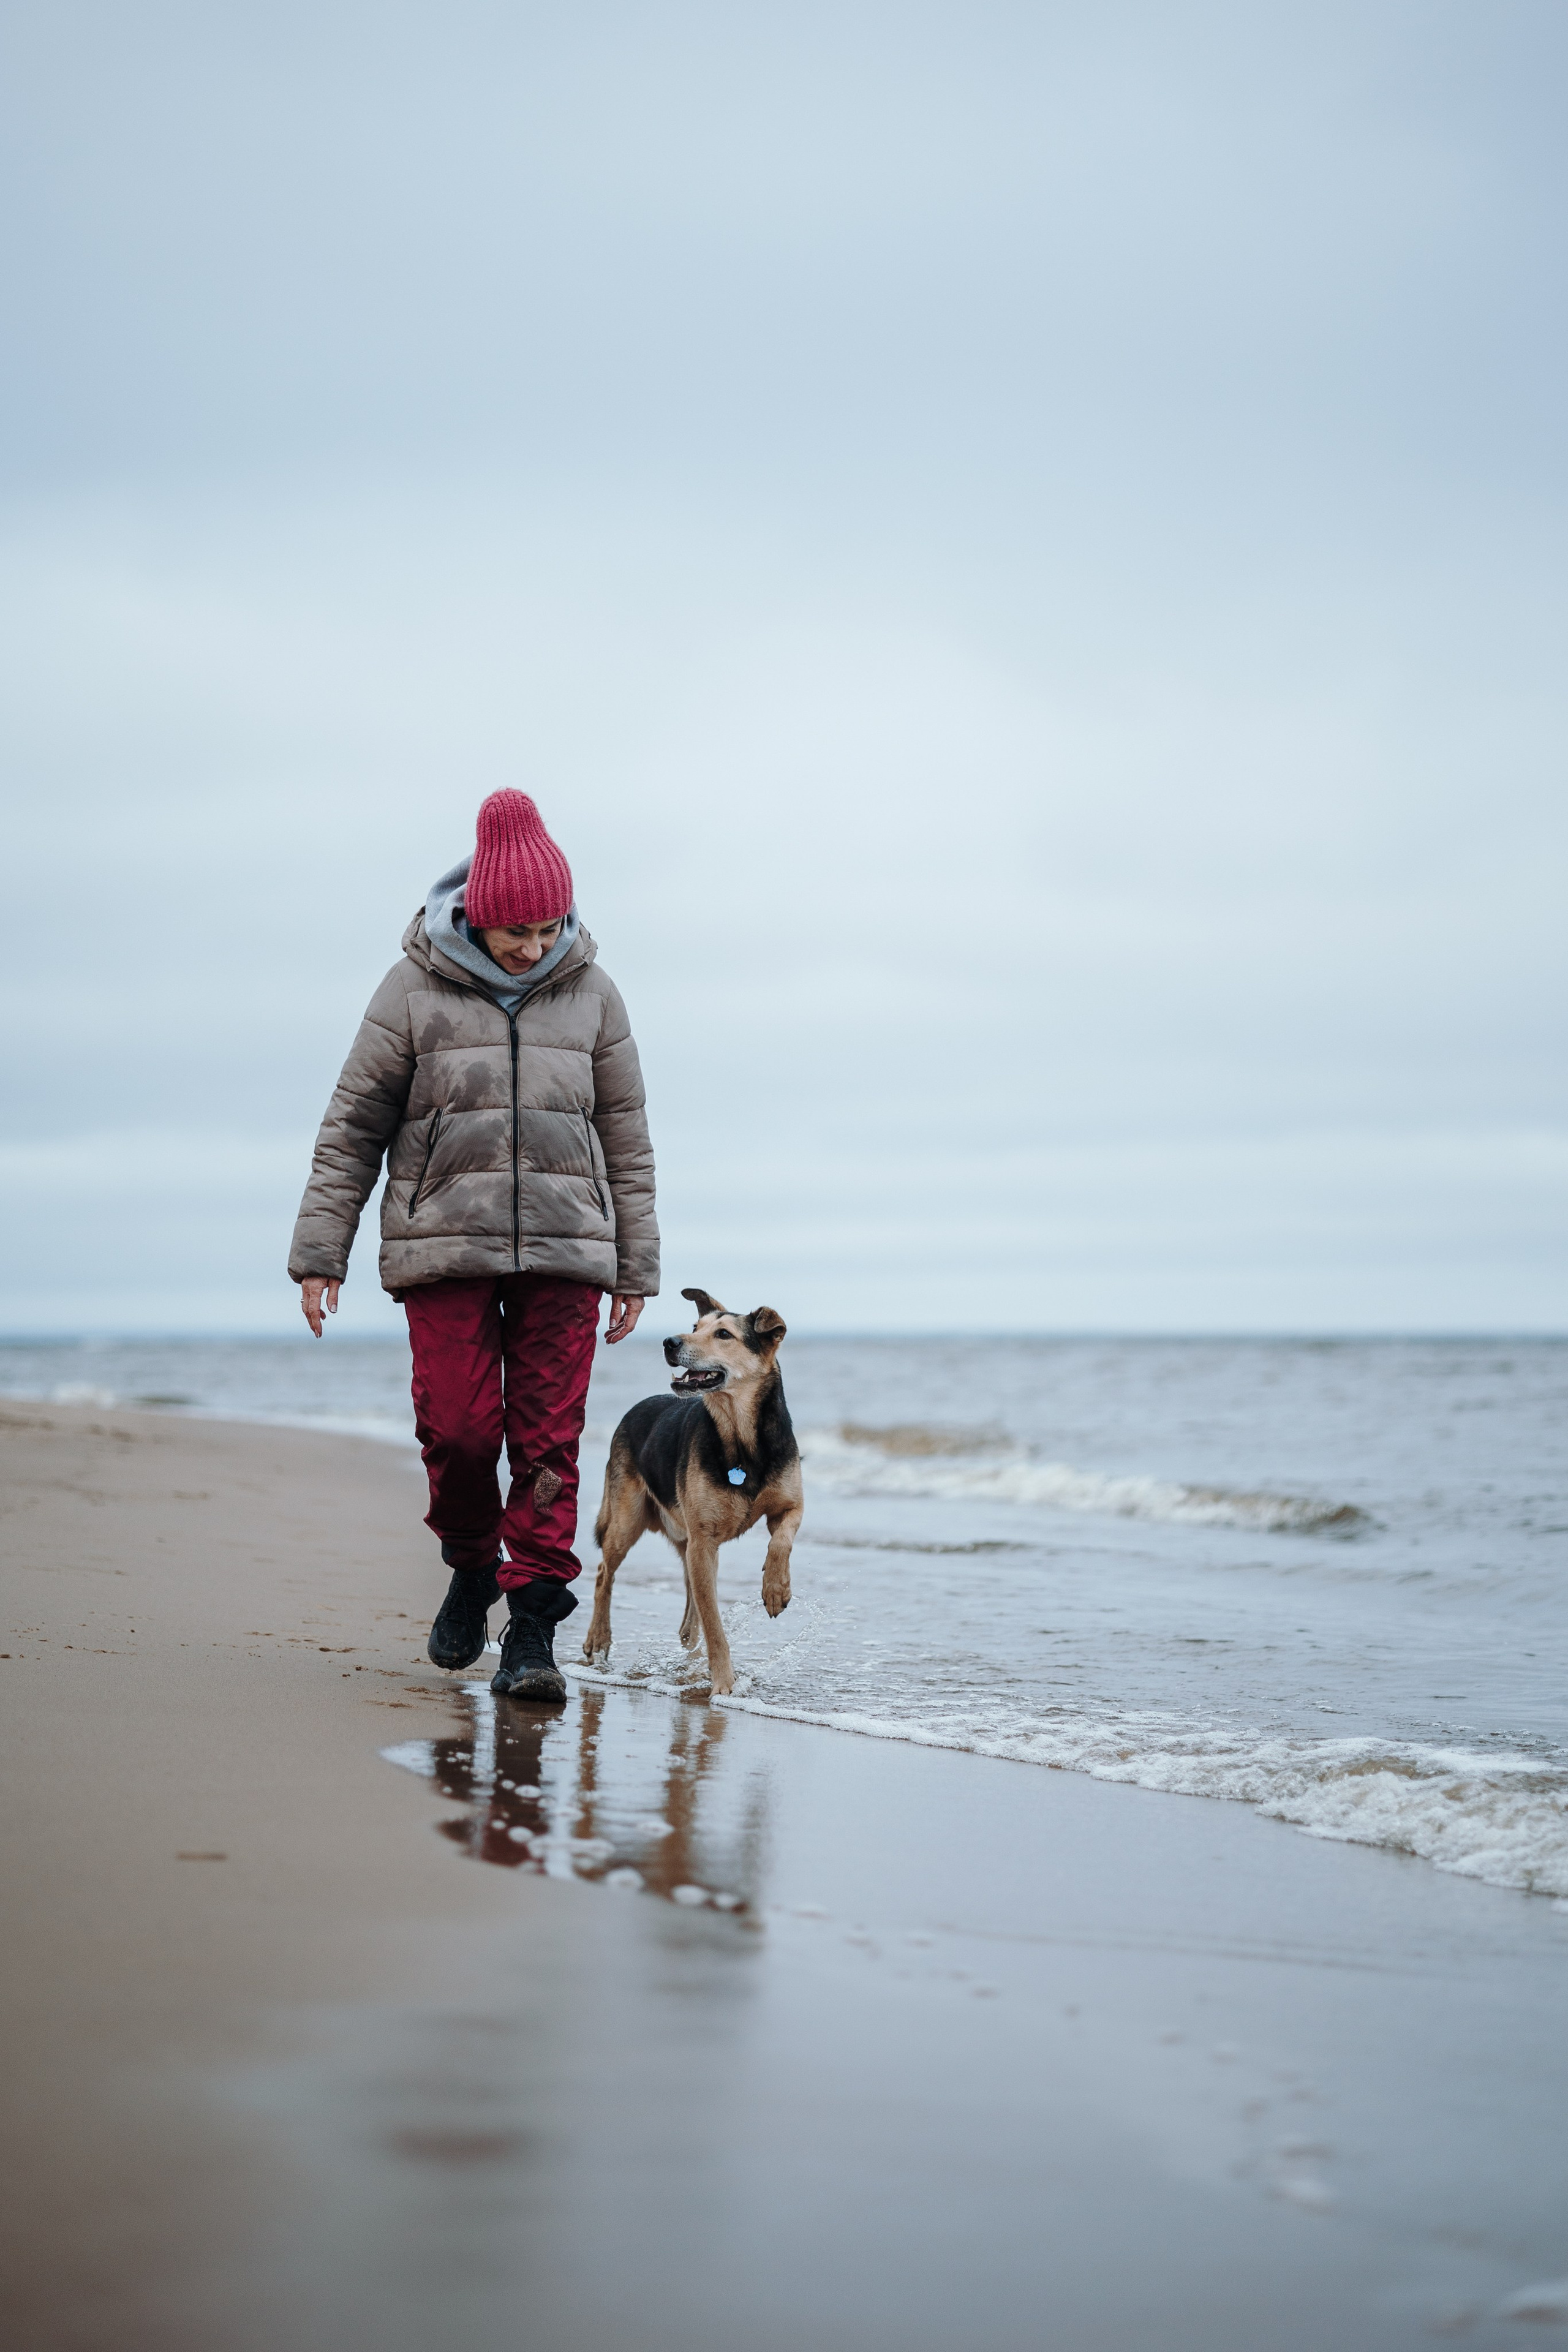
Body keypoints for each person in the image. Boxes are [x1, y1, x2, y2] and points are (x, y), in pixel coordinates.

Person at [288, 790, 658, 1703]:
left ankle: (532, 1631)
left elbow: (627, 1135)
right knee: (457, 1433)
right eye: (516, 930)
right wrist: (319, 1250)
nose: (535, 945)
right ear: (478, 916)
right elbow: (352, 1126)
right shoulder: (409, 989)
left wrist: (636, 1263)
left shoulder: (596, 995)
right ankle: (469, 1560)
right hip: (442, 1244)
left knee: (545, 1446)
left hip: (569, 1251)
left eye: (549, 926)